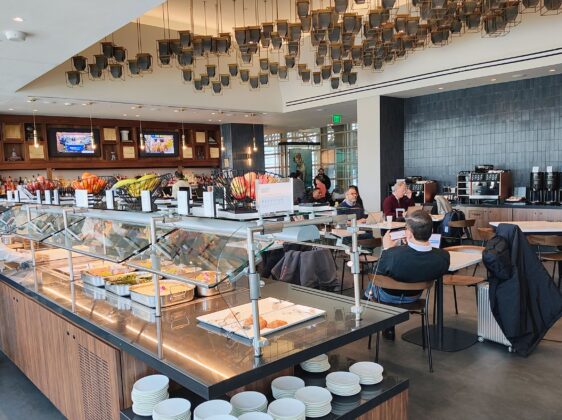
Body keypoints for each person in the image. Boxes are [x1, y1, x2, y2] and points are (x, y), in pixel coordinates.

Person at [365, 210, 450, 340]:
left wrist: (387, 249)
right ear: (431, 232)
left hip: (387, 297)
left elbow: (377, 273)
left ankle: (372, 320)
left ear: (409, 234)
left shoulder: (392, 255)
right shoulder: (443, 257)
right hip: (414, 297)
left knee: (372, 283)